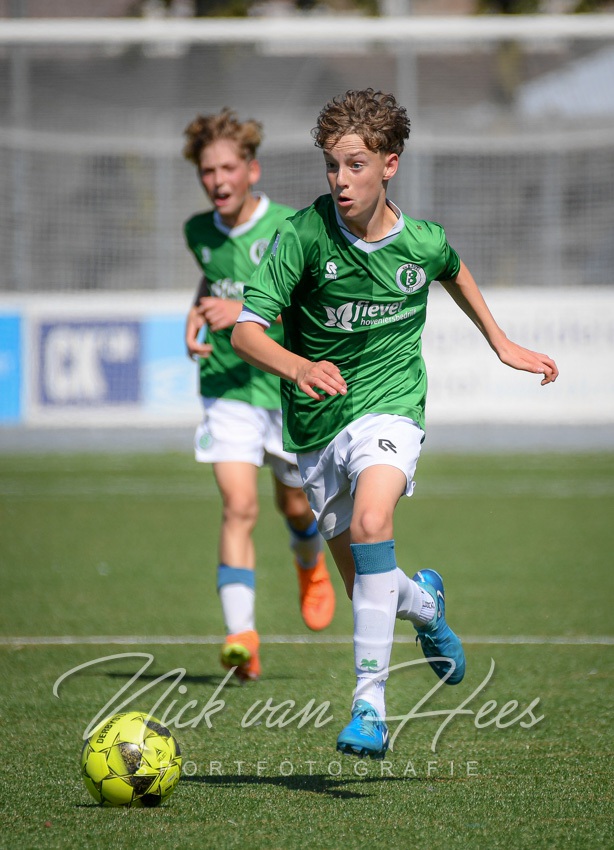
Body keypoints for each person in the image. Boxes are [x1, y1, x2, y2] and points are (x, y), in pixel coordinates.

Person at [231, 89, 558, 755]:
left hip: (391, 405)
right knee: (370, 590)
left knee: (374, 522)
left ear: (389, 164)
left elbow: (453, 268)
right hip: (316, 425)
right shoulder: (303, 236)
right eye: (332, 166)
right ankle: (427, 606)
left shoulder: (421, 241)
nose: (341, 180)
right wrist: (298, 367)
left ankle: (369, 709)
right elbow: (245, 333)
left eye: (355, 165)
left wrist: (499, 342)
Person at [182, 108, 336, 683]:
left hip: (283, 387)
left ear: (252, 170)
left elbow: (308, 306)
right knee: (238, 507)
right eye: (207, 170)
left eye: (228, 168)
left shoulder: (289, 227)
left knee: (295, 506)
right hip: (225, 387)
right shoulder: (197, 232)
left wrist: (243, 311)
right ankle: (241, 636)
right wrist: (194, 317)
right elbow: (210, 283)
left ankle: (309, 562)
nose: (217, 180)